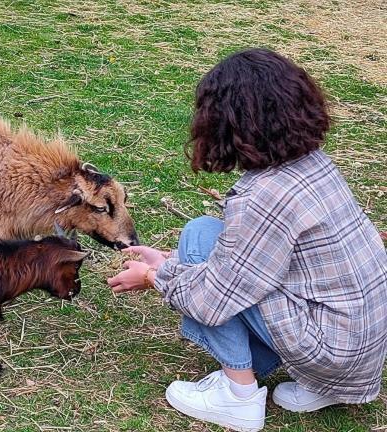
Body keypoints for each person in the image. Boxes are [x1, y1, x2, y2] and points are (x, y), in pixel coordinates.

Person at [107, 48, 387, 432]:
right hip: (361, 346)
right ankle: (327, 387)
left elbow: (213, 299)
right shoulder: (314, 161)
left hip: (329, 349)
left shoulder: (263, 197)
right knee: (199, 248)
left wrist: (155, 277)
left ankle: (237, 397)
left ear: (226, 121)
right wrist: (168, 258)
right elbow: (264, 257)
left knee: (200, 235)